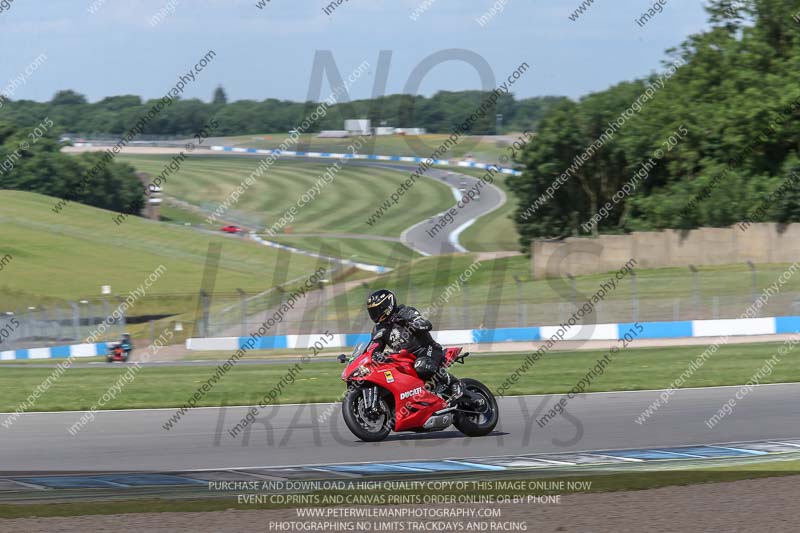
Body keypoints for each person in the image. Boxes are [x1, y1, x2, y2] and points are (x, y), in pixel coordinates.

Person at [366, 289, 462, 399]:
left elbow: (426, 325)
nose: (375, 314)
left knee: (421, 365)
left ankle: (454, 384)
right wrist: (360, 358)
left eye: (377, 310)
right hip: (405, 358)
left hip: (426, 349)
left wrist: (411, 323)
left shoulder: (405, 312)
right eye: (372, 311)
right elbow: (373, 347)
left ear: (387, 306)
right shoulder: (378, 329)